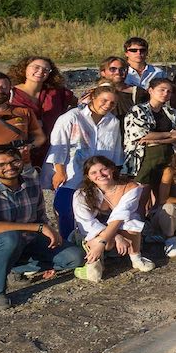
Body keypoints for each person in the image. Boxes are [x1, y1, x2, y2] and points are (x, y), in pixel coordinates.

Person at [0, 144, 82, 310]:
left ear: (21, 162)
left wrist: (49, 240)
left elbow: (41, 218)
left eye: (14, 161)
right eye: (1, 165)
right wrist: (38, 228)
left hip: (26, 244)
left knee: (74, 257)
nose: (9, 167)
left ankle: (7, 267)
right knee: (10, 237)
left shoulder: (32, 184)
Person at [46, 83, 123, 242]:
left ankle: (96, 242)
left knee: (95, 210)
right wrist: (59, 171)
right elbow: (58, 145)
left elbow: (114, 150)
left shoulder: (113, 122)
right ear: (93, 97)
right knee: (65, 209)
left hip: (99, 175)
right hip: (72, 172)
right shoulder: (72, 117)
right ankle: (67, 242)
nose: (107, 105)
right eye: (104, 100)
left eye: (112, 103)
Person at [73, 155, 155, 279]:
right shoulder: (81, 194)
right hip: (91, 232)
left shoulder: (131, 187)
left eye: (103, 169)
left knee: (132, 219)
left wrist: (105, 241)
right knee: (94, 276)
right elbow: (86, 223)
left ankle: (136, 258)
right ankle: (92, 260)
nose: (100, 174)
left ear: (112, 169)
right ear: (88, 177)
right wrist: (114, 237)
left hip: (115, 228)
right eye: (93, 172)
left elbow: (121, 216)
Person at [122, 79, 176, 193]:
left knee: (163, 187)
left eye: (169, 91)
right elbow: (141, 135)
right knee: (139, 189)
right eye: (162, 90)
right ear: (150, 90)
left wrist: (158, 140)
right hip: (143, 155)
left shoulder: (172, 112)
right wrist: (169, 134)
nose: (165, 93)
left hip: (169, 154)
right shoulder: (137, 110)